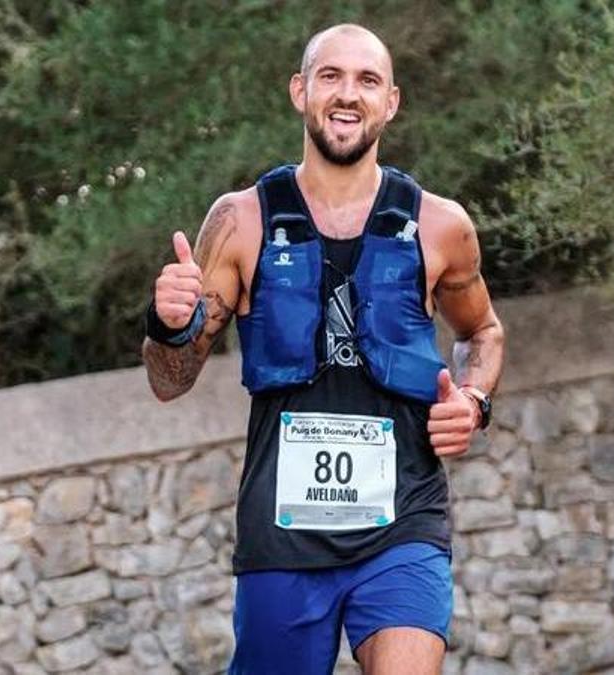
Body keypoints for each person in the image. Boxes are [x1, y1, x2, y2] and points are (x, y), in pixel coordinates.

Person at [142, 23, 504, 675]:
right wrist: (169, 323)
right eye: (330, 76)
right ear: (300, 91)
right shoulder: (240, 221)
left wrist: (474, 398)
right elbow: (171, 379)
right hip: (283, 534)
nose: (348, 93)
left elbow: (483, 332)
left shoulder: (443, 225)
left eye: (367, 80)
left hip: (405, 519)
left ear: (391, 101)